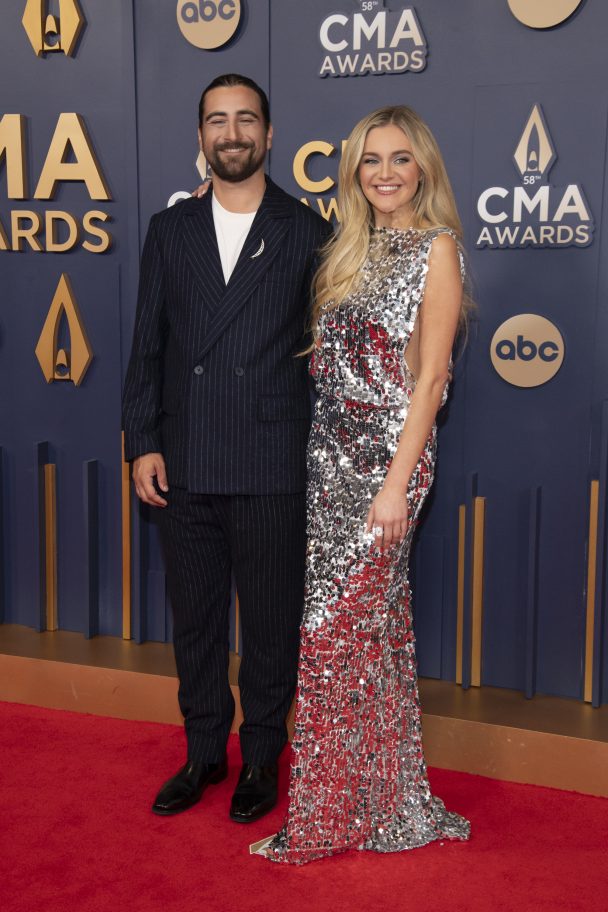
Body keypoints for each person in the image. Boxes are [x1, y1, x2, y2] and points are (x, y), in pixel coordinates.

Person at [255, 105, 472, 863]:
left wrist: (395, 485)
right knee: (373, 636)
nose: (385, 173)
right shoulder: (348, 247)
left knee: (332, 635)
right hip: (329, 461)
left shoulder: (436, 248)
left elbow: (433, 377)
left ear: (423, 169)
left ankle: (324, 818)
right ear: (353, 173)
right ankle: (380, 802)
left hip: (389, 464)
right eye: (371, 160)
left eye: (400, 158)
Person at [122, 74, 332, 823]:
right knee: (198, 620)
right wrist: (142, 440)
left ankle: (263, 756)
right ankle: (204, 751)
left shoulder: (307, 231)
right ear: (201, 136)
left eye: (246, 119)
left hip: (271, 458)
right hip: (184, 458)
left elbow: (329, 356)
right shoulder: (168, 229)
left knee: (271, 625)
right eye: (218, 120)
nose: (232, 133)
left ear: (269, 135)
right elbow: (147, 346)